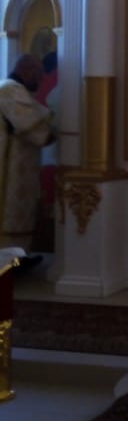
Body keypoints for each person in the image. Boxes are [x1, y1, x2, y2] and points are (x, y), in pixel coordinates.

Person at [0, 54, 55, 266]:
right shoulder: (10, 90)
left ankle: (16, 260)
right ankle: (11, 263)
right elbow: (31, 124)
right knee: (9, 215)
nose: (40, 80)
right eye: (38, 75)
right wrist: (54, 132)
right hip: (9, 167)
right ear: (28, 71)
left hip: (16, 164)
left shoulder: (9, 88)